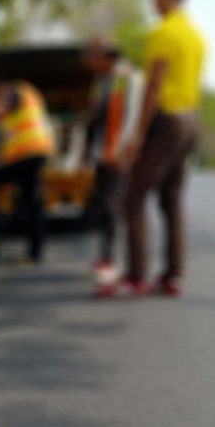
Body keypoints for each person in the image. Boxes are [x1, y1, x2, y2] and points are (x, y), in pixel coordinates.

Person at [103, 0, 206, 298]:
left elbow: (154, 86)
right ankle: (173, 275)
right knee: (171, 200)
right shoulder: (195, 35)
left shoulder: (163, 32)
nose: (153, 2)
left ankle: (136, 276)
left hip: (167, 123)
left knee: (133, 198)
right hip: (190, 122)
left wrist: (136, 135)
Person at [0, 80, 55, 263]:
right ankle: (32, 250)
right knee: (28, 200)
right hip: (31, 155)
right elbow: (11, 142)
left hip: (31, 154)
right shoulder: (16, 108)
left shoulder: (18, 93)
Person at [82, 40, 144, 289]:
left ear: (104, 56)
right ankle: (106, 257)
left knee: (112, 206)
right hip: (103, 153)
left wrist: (126, 148)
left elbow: (133, 115)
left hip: (118, 153)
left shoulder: (128, 77)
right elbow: (95, 117)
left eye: (90, 57)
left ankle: (113, 262)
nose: (87, 63)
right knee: (102, 205)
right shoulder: (102, 81)